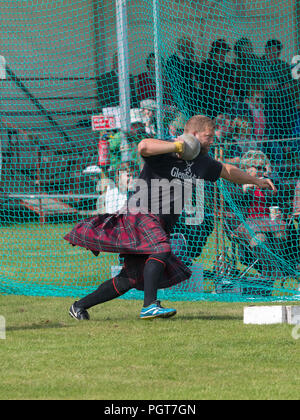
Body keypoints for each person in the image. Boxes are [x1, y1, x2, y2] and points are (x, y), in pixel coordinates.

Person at [64, 115, 276, 321]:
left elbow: (228, 170)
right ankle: (149, 307)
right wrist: (176, 146)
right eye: (208, 136)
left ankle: (79, 306)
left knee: (129, 278)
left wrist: (257, 181)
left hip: (160, 223)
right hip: (140, 214)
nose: (213, 141)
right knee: (161, 248)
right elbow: (143, 146)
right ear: (193, 135)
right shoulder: (165, 151)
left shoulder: (203, 162)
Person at [262, 39, 298, 140]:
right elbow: (253, 83)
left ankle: (286, 145)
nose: (275, 54)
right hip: (266, 102)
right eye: (273, 51)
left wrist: (287, 85)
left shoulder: (283, 65)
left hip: (283, 104)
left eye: (278, 52)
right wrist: (264, 86)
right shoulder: (258, 64)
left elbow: (291, 83)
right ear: (266, 50)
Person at [196, 39, 234, 118]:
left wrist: (231, 89)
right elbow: (209, 83)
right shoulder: (206, 65)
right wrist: (225, 89)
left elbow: (232, 81)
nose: (224, 54)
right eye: (221, 51)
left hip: (226, 104)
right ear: (215, 52)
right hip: (211, 104)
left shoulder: (228, 67)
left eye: (225, 52)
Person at [165, 37, 201, 115]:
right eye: (191, 48)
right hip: (178, 101)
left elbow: (197, 79)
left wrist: (193, 63)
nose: (193, 50)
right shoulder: (172, 61)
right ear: (184, 48)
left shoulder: (191, 62)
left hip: (192, 102)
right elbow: (176, 81)